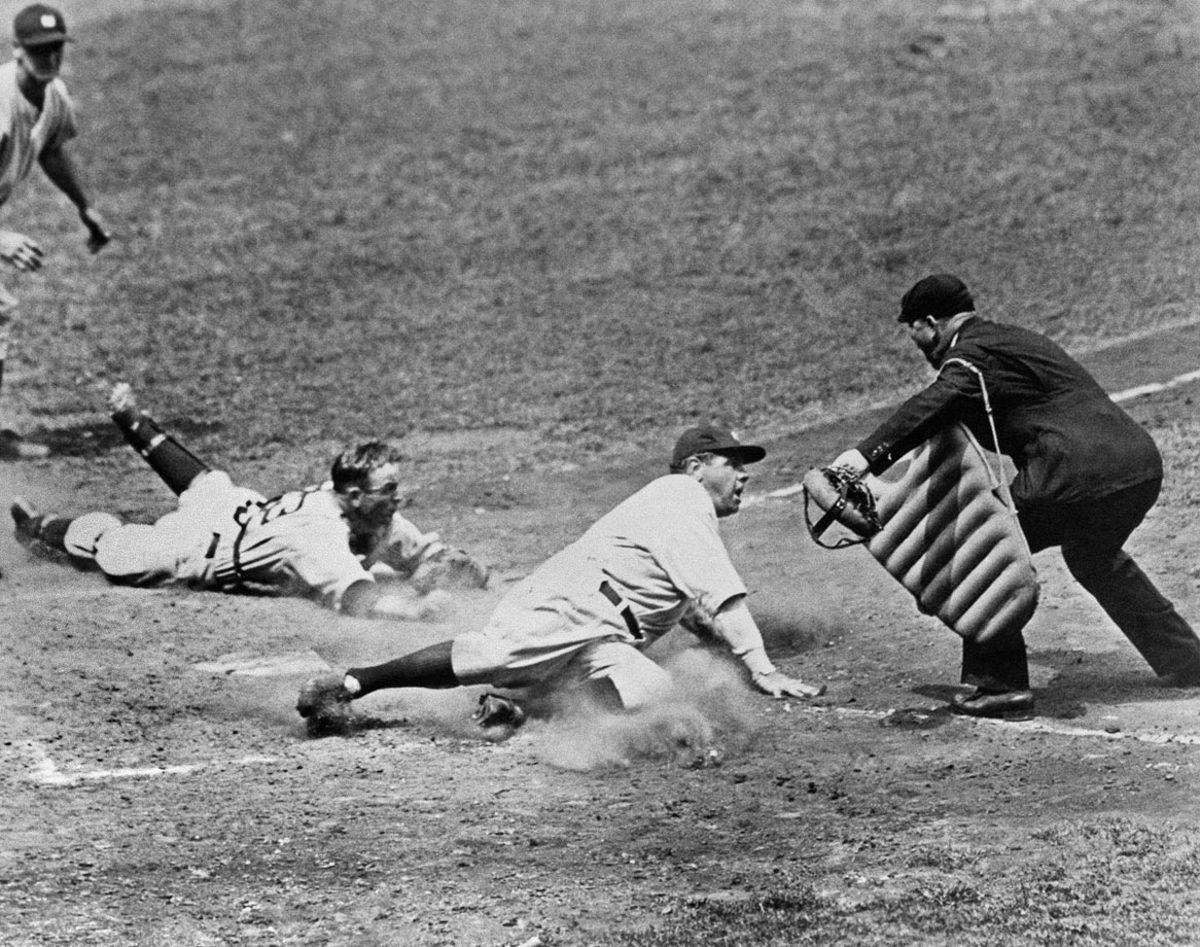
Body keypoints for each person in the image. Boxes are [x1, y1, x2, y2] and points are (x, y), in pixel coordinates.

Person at [825, 273, 1200, 717]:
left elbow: (930, 406)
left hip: (1074, 474)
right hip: (1137, 468)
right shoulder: (1010, 340)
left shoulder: (971, 355)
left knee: (979, 552)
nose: (917, 345)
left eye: (915, 333)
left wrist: (859, 460)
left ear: (929, 322)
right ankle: (1186, 660)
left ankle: (999, 685)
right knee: (1092, 555)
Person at [296, 423, 825, 734]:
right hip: (569, 605)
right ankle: (352, 682)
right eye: (732, 463)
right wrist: (760, 666)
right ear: (695, 468)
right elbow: (725, 598)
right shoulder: (682, 497)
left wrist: (720, 640)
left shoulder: (678, 510)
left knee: (651, 690)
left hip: (607, 629)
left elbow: (693, 603)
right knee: (493, 656)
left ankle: (519, 702)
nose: (743, 474)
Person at [11, 383, 490, 618]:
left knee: (208, 484)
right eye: (389, 490)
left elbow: (424, 553)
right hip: (200, 551)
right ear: (354, 495)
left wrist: (452, 568)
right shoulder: (318, 536)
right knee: (117, 550)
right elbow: (357, 597)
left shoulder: (373, 514)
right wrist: (416, 610)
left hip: (242, 511)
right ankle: (37, 526)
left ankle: (133, 420)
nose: (399, 497)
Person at [0, 4, 111, 460]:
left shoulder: (53, 95)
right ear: (16, 50)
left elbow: (49, 149)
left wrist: (85, 207)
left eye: (56, 49)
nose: (49, 59)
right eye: (38, 50)